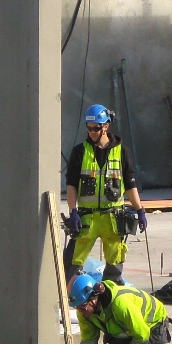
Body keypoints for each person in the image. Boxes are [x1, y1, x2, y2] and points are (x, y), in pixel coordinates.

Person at [65, 104, 147, 284]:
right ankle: (73, 299)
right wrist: (73, 211)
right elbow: (71, 184)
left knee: (115, 266)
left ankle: (109, 301)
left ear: (106, 126)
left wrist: (139, 210)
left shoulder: (122, 151)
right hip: (87, 219)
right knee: (74, 265)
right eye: (89, 128)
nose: (92, 132)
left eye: (96, 128)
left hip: (113, 219)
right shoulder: (80, 151)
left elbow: (130, 184)